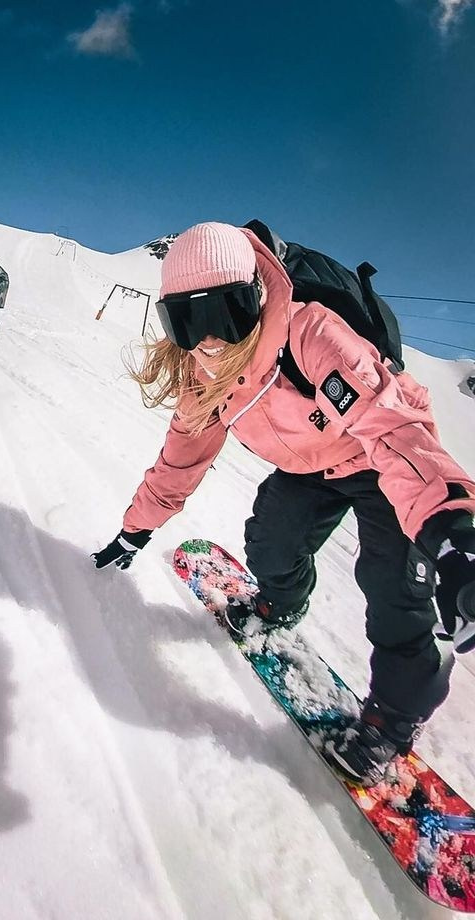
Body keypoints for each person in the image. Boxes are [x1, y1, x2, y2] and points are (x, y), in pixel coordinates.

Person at [92, 221, 475, 786]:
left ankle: (394, 719)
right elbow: (180, 461)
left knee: (395, 591)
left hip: (377, 461)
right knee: (270, 541)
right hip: (309, 468)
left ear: (256, 296)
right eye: (188, 321)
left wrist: (450, 528)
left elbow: (391, 425)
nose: (210, 340)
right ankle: (280, 605)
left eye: (225, 313)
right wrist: (136, 528)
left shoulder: (312, 333)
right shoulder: (204, 378)